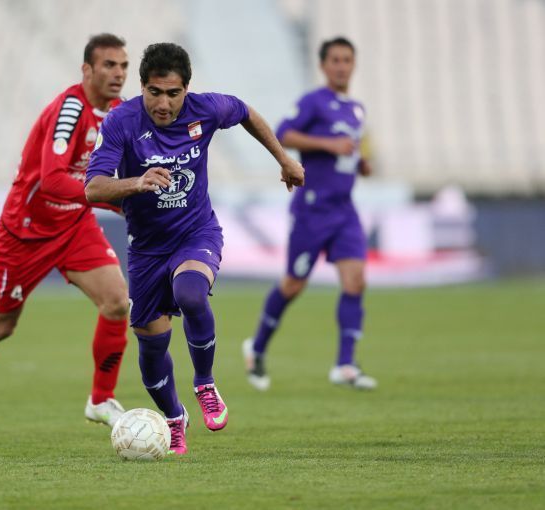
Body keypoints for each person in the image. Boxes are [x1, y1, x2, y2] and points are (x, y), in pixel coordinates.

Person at [84, 42, 304, 455]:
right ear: (142, 87)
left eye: (173, 93)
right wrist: (136, 182)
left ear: (187, 89)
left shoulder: (207, 109)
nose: (163, 103)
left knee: (190, 293)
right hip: (147, 249)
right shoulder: (120, 121)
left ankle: (205, 383)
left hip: (196, 232)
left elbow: (246, 112)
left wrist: (284, 160)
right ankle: (174, 418)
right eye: (154, 92)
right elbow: (93, 187)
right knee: (151, 351)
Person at [0, 33, 131, 441]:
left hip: (74, 225)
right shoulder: (70, 110)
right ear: (87, 69)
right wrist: (115, 200)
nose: (118, 73)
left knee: (116, 302)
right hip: (27, 231)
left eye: (123, 66)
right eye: (109, 65)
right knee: (1, 324)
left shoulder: (119, 111)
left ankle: (101, 398)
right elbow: (53, 180)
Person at [243, 36, 377, 392]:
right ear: (323, 65)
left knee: (356, 281)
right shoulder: (312, 102)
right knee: (293, 284)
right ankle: (256, 348)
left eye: (347, 59)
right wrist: (328, 144)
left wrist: (360, 163)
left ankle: (345, 365)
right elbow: (283, 133)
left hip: (344, 209)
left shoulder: (357, 110)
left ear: (353, 64)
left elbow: (350, 152)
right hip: (312, 209)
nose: (341, 66)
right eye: (335, 60)